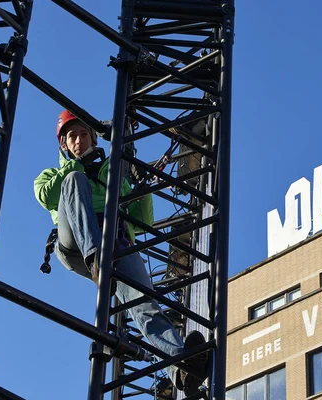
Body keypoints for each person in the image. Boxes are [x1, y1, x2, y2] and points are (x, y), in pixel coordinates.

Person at [33, 110, 207, 395]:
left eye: (84, 134)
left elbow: (143, 221)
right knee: (74, 181)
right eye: (72, 136)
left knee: (144, 302)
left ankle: (181, 368)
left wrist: (140, 188)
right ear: (64, 144)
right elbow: (47, 197)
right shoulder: (52, 175)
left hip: (114, 241)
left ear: (92, 138)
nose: (79, 140)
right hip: (77, 244)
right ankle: (96, 261)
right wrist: (76, 165)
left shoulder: (111, 173)